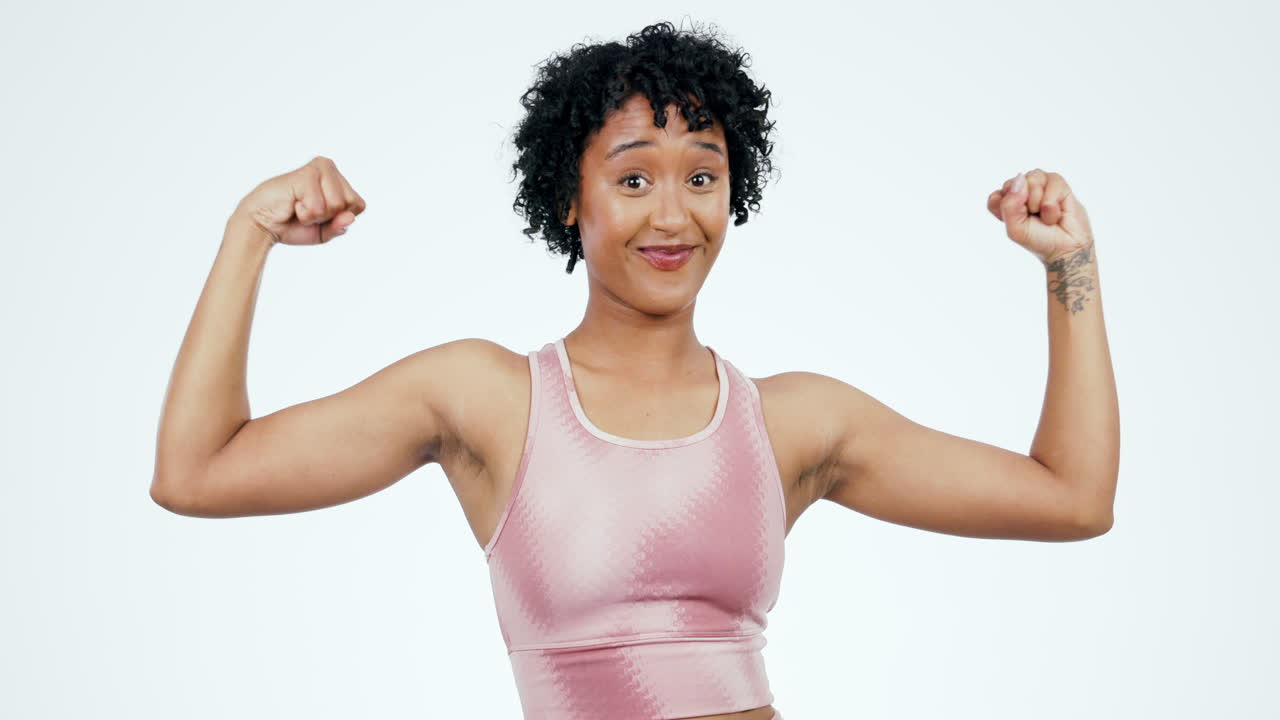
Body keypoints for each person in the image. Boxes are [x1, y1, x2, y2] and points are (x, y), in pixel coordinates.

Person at [150, 20, 1119, 720]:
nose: (671, 215)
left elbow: (1070, 499)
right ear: (569, 202)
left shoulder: (796, 424)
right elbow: (197, 474)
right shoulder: (484, 399)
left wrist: (1068, 266)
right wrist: (248, 237)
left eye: (701, 177)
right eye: (630, 178)